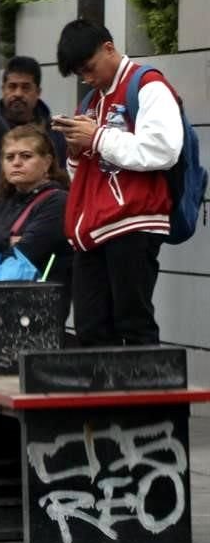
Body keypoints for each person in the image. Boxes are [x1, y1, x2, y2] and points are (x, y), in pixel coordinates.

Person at [52, 19, 183, 346]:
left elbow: (164, 149)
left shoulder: (148, 85)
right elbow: (81, 175)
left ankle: (148, 396)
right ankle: (106, 398)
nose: (87, 77)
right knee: (90, 329)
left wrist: (96, 137)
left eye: (89, 67)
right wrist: (75, 150)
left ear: (109, 48)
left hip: (134, 222)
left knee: (133, 323)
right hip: (92, 228)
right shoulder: (91, 102)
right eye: (80, 73)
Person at [0, 124, 73, 314]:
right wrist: (6, 240)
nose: (16, 163)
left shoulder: (57, 200)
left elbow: (28, 249)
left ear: (47, 162)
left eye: (26, 156)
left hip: (38, 308)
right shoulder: (2, 202)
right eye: (9, 157)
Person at [0, 56, 67, 166]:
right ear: (3, 89)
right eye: (12, 86)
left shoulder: (56, 136)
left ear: (38, 92)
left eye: (25, 87)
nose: (18, 93)